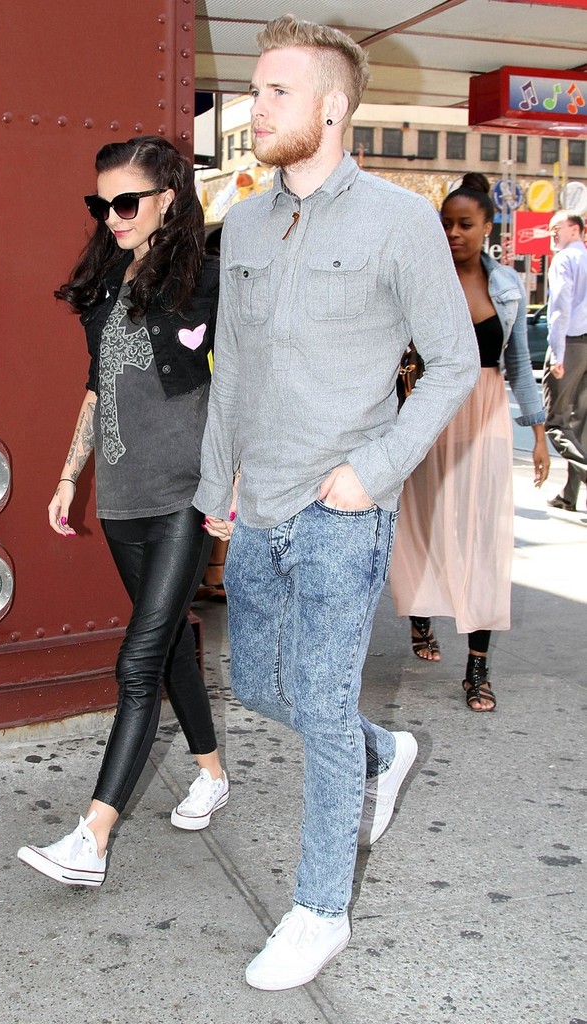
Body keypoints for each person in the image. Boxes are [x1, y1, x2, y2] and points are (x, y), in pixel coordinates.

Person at [194, 15, 479, 991]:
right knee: (260, 687)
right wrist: (219, 481)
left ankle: (319, 910)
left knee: (318, 701)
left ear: (332, 107)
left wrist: (378, 468)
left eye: (276, 91)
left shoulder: (399, 220)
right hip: (261, 500)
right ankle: (382, 751)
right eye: (255, 89)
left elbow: (455, 361)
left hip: (344, 507)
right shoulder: (243, 223)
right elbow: (235, 370)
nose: (256, 106)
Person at [17, 137, 228, 888]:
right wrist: (68, 475)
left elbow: (240, 382)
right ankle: (212, 773)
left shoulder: (205, 278)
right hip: (122, 496)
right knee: (165, 646)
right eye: (102, 203)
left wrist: (231, 481)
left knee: (136, 660)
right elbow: (98, 383)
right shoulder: (109, 279)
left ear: (168, 198)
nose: (112, 216)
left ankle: (92, 837)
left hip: (183, 494)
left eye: (127, 202)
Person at [390, 173, 550, 710]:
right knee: (422, 520)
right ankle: (420, 612)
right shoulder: (422, 278)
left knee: (484, 533)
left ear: (487, 228)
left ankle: (477, 668)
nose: (453, 233)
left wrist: (538, 432)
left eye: (465, 224)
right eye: (446, 223)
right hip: (429, 413)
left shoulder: (506, 286)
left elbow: (518, 363)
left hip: (484, 416)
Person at [543, 211, 587, 512]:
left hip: (569, 345)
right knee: (580, 423)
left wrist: (557, 354)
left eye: (556, 228)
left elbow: (560, 307)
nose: (552, 234)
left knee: (556, 422)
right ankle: (569, 495)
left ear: (575, 229)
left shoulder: (564, 260)